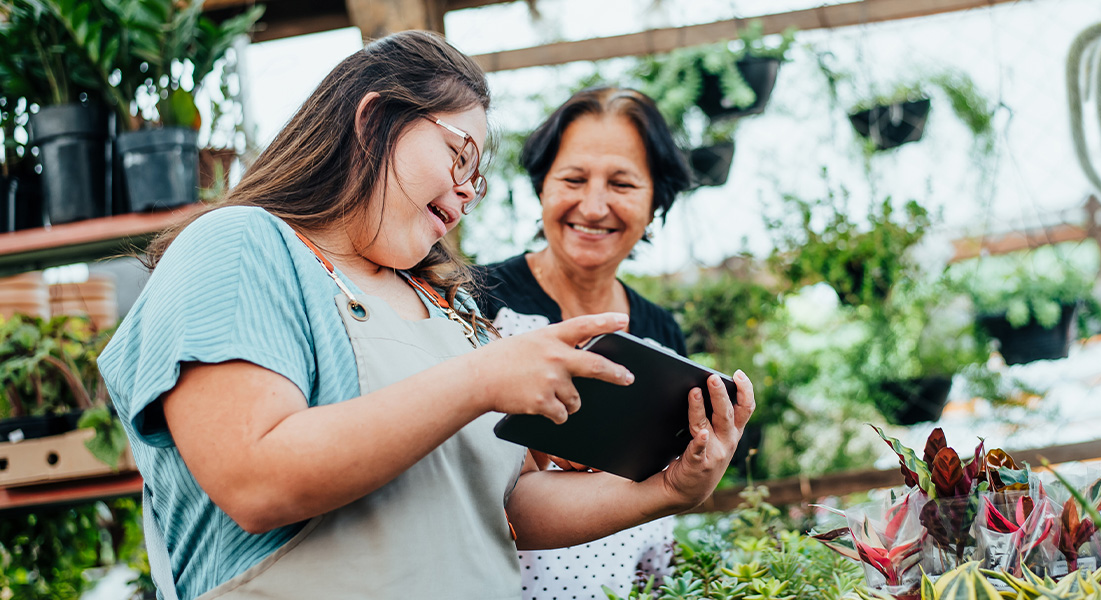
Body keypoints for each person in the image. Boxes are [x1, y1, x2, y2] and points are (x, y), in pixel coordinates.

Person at [97, 32, 755, 600]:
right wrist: (481, 379)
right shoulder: (241, 245)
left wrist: (667, 491)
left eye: (479, 174)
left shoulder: (449, 306)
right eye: (459, 155)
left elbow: (504, 508)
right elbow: (259, 479)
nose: (469, 188)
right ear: (373, 119)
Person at [477, 87, 696, 600]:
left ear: (655, 199)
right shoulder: (474, 302)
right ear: (542, 187)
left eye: (621, 183)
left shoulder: (660, 333)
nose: (593, 207)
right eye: (573, 179)